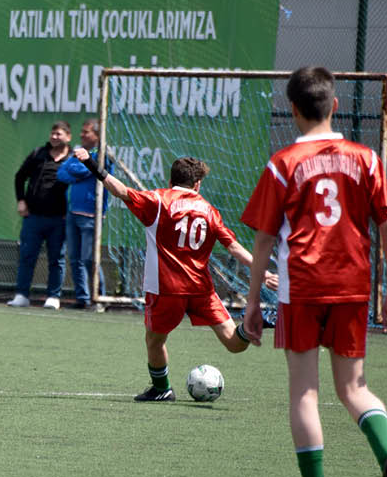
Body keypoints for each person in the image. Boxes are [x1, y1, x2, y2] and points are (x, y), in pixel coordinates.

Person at [241, 65, 387, 477]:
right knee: (353, 389)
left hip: (302, 287)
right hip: (353, 286)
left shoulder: (283, 164)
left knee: (305, 393)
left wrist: (253, 303)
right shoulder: (366, 159)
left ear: (292, 109)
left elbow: (261, 240)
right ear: (335, 105)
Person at [75, 150, 276, 401]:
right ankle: (249, 327)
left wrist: (92, 165)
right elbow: (233, 247)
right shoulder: (209, 211)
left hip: (166, 288)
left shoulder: (159, 200)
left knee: (154, 340)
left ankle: (162, 389)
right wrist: (263, 272)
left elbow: (120, 190)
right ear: (198, 184)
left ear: (171, 180)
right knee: (232, 342)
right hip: (202, 289)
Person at [7, 121, 72, 310]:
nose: (54, 137)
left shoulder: (72, 159)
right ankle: (21, 295)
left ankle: (53, 296)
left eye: (59, 134)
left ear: (68, 137)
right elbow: (20, 177)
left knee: (56, 259)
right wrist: (21, 200)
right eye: (53, 133)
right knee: (27, 256)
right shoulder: (38, 154)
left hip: (58, 220)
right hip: (33, 218)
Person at [57, 118, 114, 310]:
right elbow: (62, 173)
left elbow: (83, 171)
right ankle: (83, 298)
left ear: (98, 135)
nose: (82, 135)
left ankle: (99, 299)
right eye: (81, 131)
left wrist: (78, 165)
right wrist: (77, 166)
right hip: (73, 213)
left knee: (90, 259)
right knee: (75, 258)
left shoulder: (103, 155)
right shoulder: (80, 153)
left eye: (86, 132)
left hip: (92, 215)